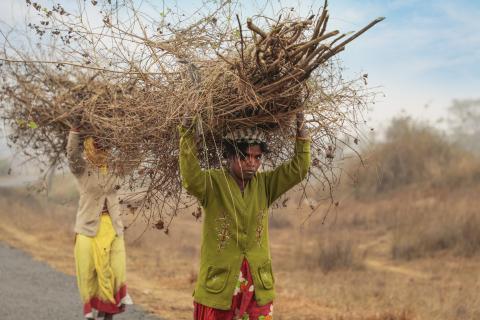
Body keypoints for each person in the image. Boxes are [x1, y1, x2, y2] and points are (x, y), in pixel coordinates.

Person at [179, 113, 310, 320]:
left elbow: (299, 169)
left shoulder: (265, 185)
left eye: (257, 158)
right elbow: (190, 176)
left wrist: (300, 124)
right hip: (220, 287)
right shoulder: (213, 184)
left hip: (257, 286)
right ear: (229, 156)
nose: (252, 163)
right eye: (244, 156)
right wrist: (187, 132)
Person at [67, 128, 133, 320]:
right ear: (89, 147)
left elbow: (134, 161)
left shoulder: (115, 168)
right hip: (88, 229)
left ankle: (108, 315)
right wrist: (75, 131)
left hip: (112, 228)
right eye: (96, 146)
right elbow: (72, 154)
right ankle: (93, 313)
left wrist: (141, 136)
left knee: (115, 270)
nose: (99, 150)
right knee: (89, 273)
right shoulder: (82, 169)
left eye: (103, 147)